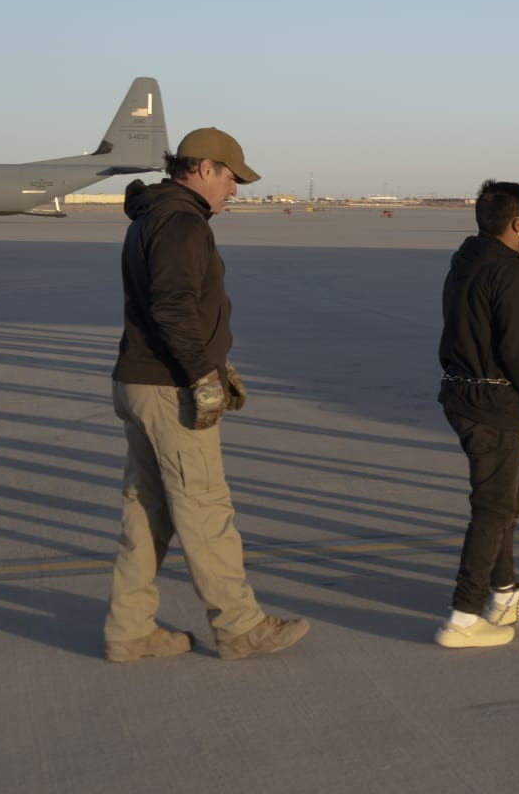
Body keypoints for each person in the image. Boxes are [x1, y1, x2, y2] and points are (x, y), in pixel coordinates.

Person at [103, 127, 308, 662]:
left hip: (140, 379)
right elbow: (173, 306)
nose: (234, 190)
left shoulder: (153, 215)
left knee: (147, 510)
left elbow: (172, 308)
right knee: (204, 507)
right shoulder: (182, 223)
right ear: (203, 168)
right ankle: (240, 627)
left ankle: (129, 629)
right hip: (168, 387)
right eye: (231, 178)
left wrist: (216, 361)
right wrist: (201, 375)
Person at [434, 181, 519, 648]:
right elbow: (514, 348)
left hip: (461, 392)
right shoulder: (510, 271)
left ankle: (505, 592)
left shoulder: (465, 261)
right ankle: (464, 616)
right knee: (493, 507)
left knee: (509, 496)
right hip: (491, 401)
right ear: (516, 223)